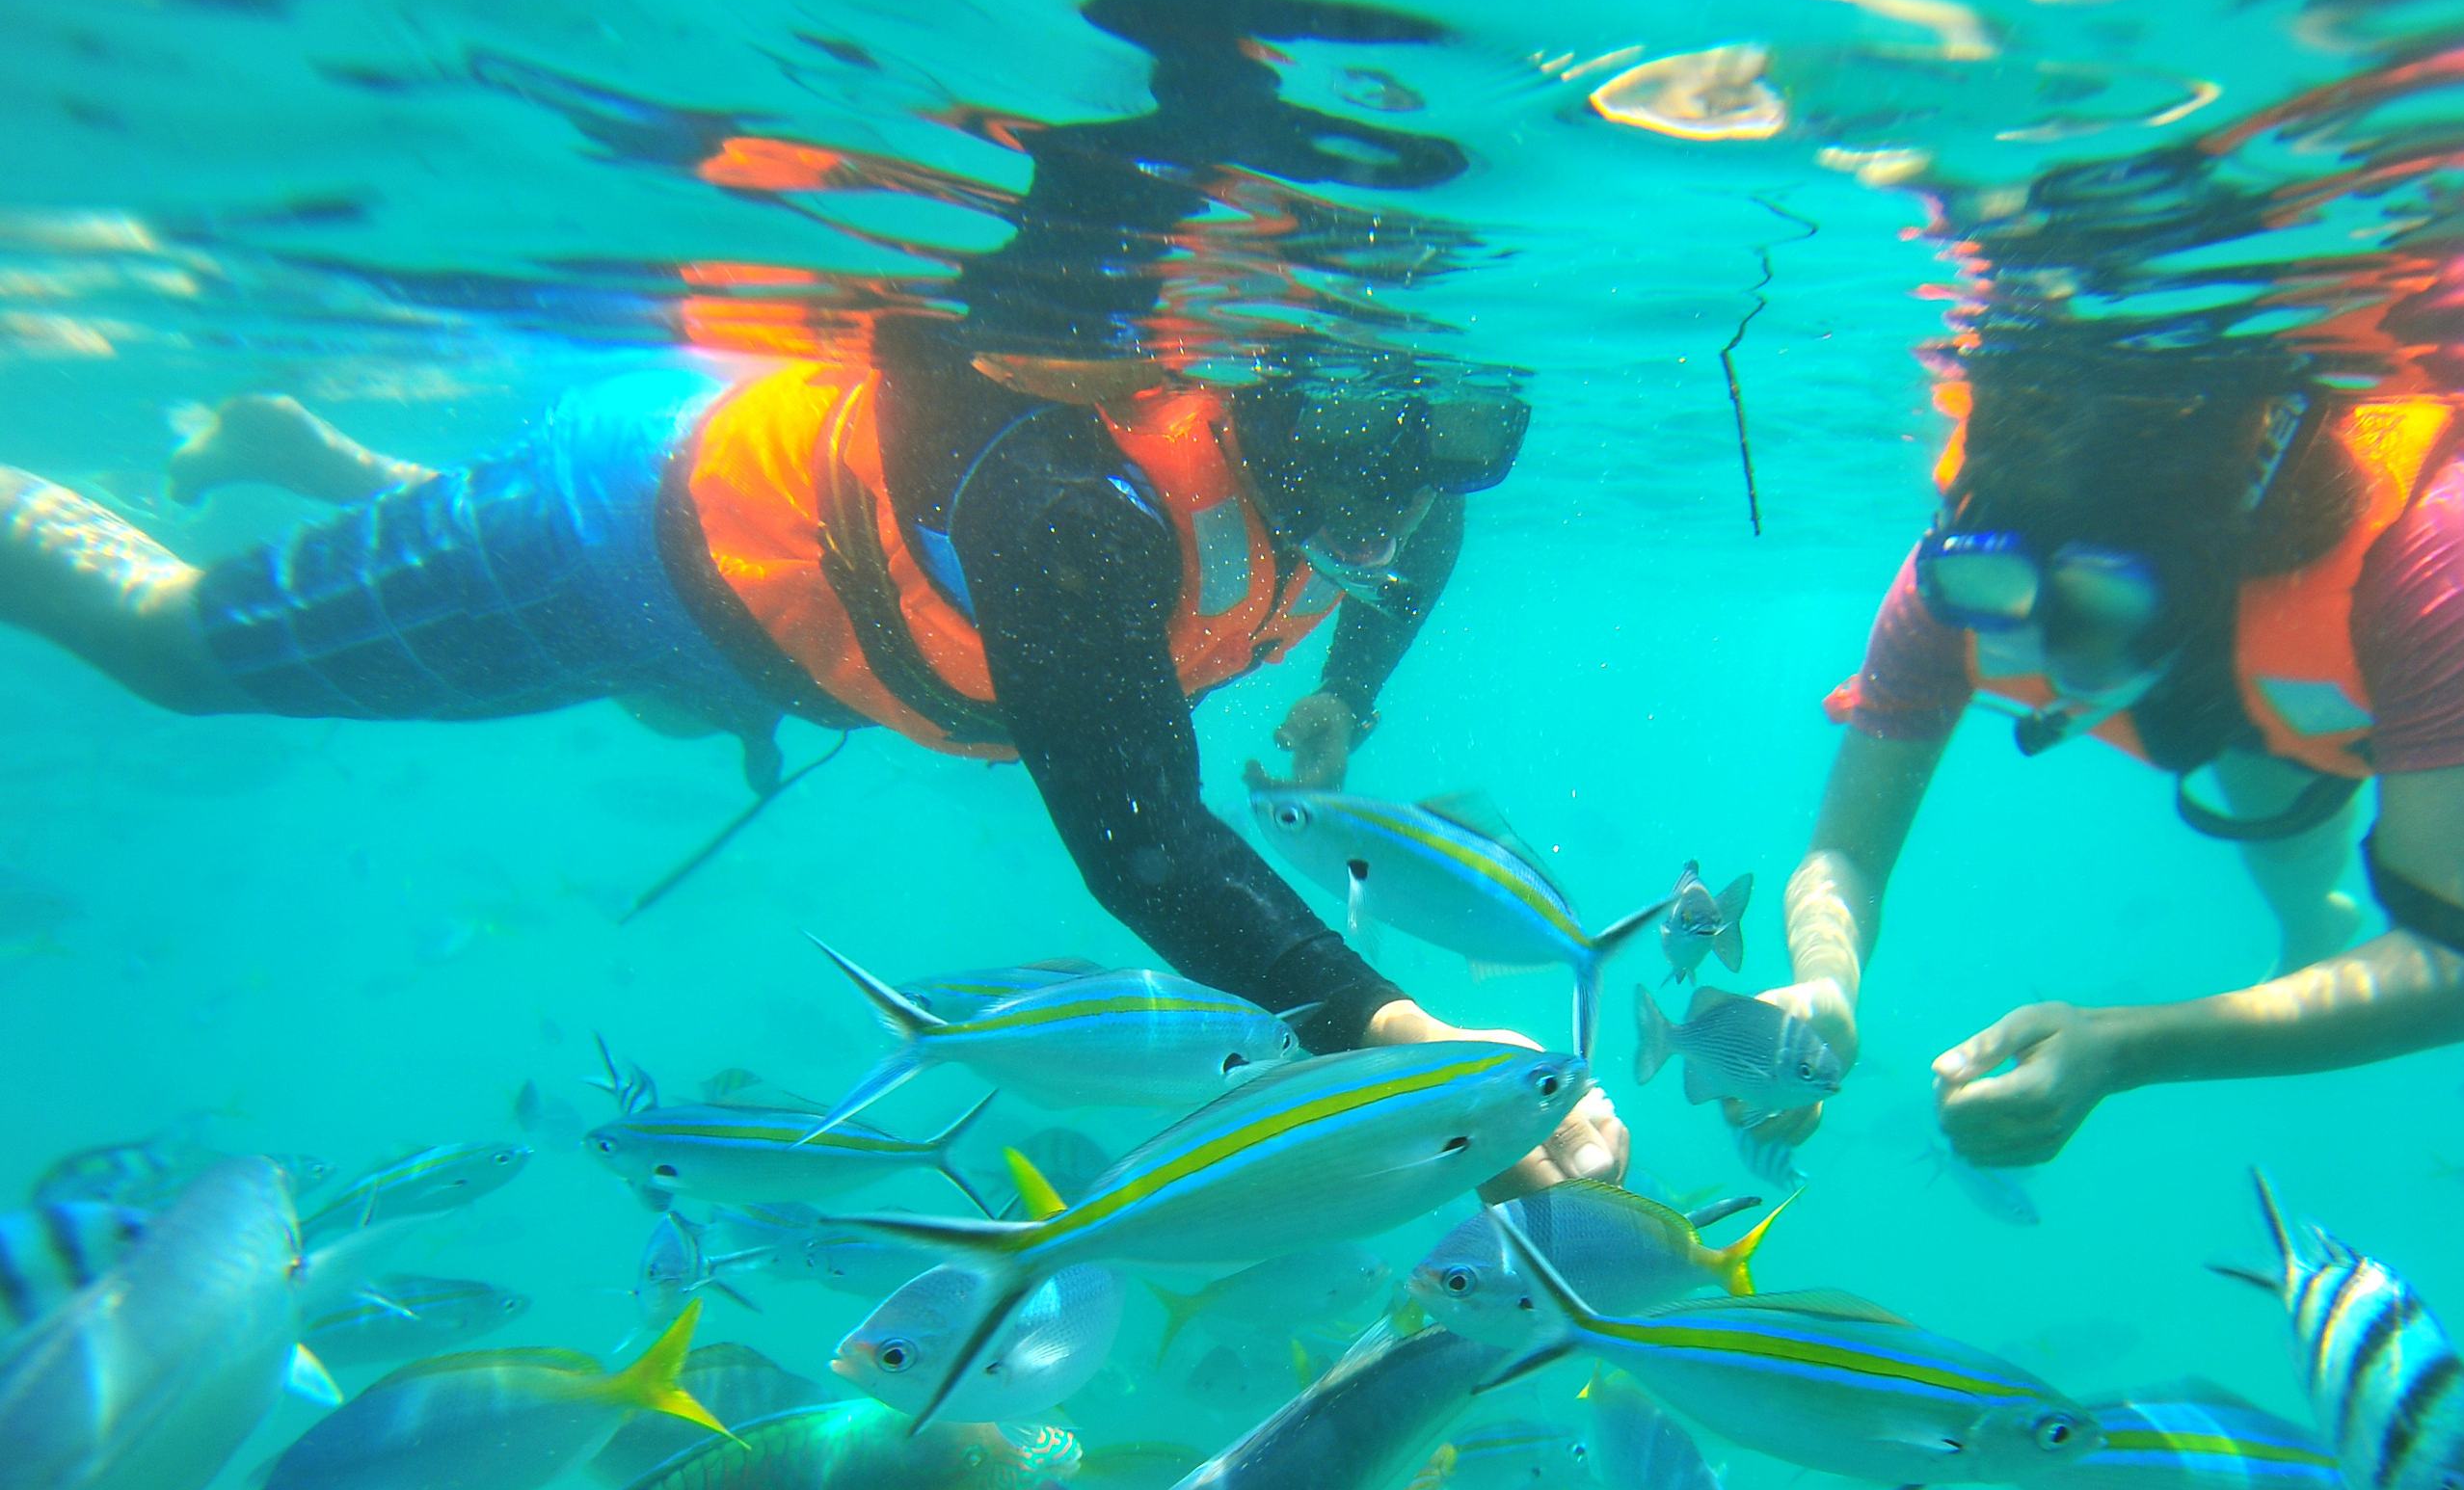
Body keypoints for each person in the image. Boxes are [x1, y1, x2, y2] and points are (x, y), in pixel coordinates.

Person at [0, 348, 1623, 1190]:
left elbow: (1428, 536)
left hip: (781, 645)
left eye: (1464, 439)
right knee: (175, 645)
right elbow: (1143, 844)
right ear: (1299, 422)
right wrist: (1391, 1032)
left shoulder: (1377, 481)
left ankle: (315, 454)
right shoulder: (1079, 505)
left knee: (506, 616)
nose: (1428, 493)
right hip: (615, 545)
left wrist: (1343, 697)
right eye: (1409, 456)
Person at [1749, 340, 2464, 1170]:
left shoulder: (2441, 545)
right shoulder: (1978, 558)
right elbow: (1843, 856)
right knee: (2258, 781)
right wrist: (1823, 981)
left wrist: (2126, 1047)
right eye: (1996, 594)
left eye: (2094, 613)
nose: (2045, 650)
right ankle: (2308, 930)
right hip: (2263, 679)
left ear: (2220, 563)